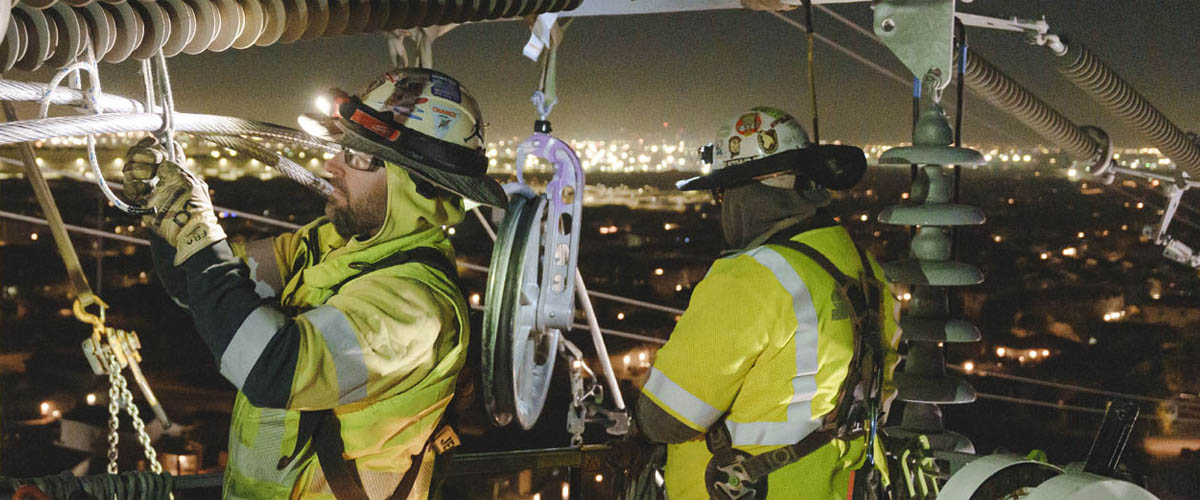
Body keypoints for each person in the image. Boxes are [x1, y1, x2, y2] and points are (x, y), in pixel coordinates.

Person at [122, 68, 507, 499]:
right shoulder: (334, 244)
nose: (331, 163)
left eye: (358, 156)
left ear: (412, 184)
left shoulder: (414, 307)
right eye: (343, 146)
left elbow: (272, 367)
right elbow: (197, 290)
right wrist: (164, 219)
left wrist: (198, 234)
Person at [635, 107, 901, 500]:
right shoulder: (867, 270)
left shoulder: (750, 277)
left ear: (747, 192)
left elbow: (664, 420)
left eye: (722, 192)